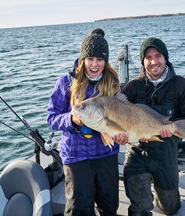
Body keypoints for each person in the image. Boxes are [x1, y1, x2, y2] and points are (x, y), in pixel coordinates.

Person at [47, 28, 126, 216]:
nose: (94, 64)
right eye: (90, 59)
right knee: (79, 209)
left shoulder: (114, 83)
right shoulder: (65, 82)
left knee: (109, 205)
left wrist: (122, 135)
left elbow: (122, 118)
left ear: (105, 62)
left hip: (106, 154)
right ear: (83, 60)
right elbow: (51, 118)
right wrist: (71, 120)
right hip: (77, 156)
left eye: (99, 59)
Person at [122, 37, 185, 215]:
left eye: (158, 56)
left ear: (165, 58)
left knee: (170, 208)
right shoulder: (132, 87)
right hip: (137, 151)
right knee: (139, 207)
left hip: (166, 153)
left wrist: (172, 132)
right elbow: (120, 118)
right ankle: (142, 194)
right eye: (148, 57)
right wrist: (125, 135)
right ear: (143, 61)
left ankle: (163, 192)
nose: (153, 61)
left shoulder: (181, 85)